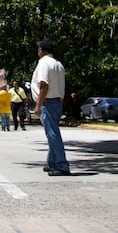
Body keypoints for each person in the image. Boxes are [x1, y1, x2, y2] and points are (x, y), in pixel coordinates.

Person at [31, 39, 70, 175]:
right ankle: (52, 162)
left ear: (42, 50)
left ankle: (61, 164)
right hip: (57, 100)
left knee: (53, 134)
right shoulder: (58, 64)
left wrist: (38, 104)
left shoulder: (44, 63)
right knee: (52, 132)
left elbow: (44, 84)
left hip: (48, 101)